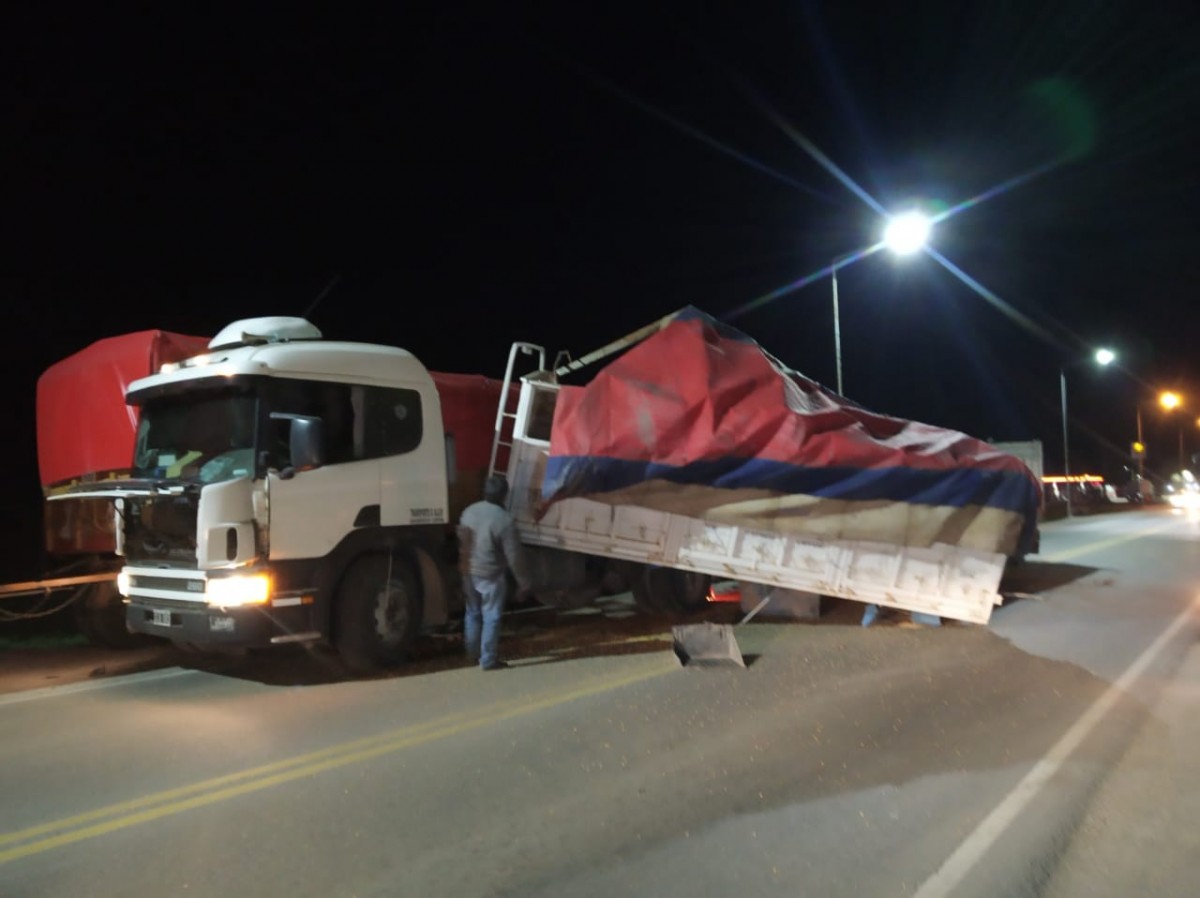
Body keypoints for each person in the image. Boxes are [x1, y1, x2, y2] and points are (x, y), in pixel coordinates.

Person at [457, 475, 531, 670]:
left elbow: (462, 540)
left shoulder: (468, 512)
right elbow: (514, 556)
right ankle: (488, 659)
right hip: (490, 574)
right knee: (491, 615)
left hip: (467, 572)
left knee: (472, 612)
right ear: (504, 496)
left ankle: (471, 655)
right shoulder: (504, 520)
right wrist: (523, 583)